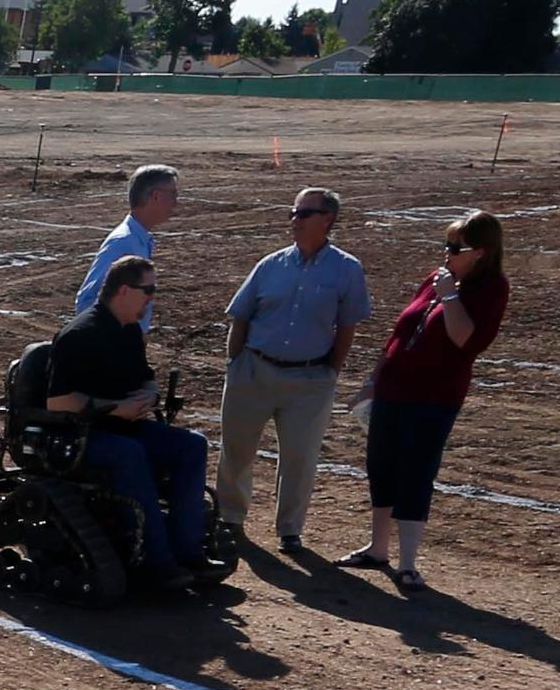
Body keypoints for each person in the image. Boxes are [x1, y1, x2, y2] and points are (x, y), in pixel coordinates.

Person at [344, 209, 511, 595]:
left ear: (481, 252)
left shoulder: (490, 289)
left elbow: (465, 340)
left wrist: (450, 295)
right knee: (381, 466)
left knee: (415, 473)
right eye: (446, 245)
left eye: (455, 247)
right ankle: (378, 548)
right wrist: (373, 379)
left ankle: (408, 564)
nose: (446, 253)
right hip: (392, 390)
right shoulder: (436, 279)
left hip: (433, 396)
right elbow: (400, 331)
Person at [210, 187, 371, 556]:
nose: (293, 220)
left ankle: (289, 530)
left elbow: (347, 327)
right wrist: (236, 365)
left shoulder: (347, 269)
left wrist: (330, 372)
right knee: (237, 450)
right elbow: (242, 316)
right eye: (292, 213)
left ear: (326, 219)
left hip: (310, 380)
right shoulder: (270, 264)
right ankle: (230, 518)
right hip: (254, 370)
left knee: (300, 457)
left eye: (302, 214)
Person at [43, 256, 216, 596]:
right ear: (124, 290)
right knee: (130, 454)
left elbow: (146, 380)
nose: (152, 297)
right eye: (148, 290)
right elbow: (57, 403)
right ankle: (157, 561)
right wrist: (117, 409)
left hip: (125, 427)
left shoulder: (129, 331)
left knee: (192, 445)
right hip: (81, 435)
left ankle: (189, 552)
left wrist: (148, 399)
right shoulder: (79, 334)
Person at [75, 163, 180, 312]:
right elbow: (87, 300)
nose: (176, 202)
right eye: (173, 194)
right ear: (156, 196)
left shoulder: (139, 239)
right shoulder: (123, 243)